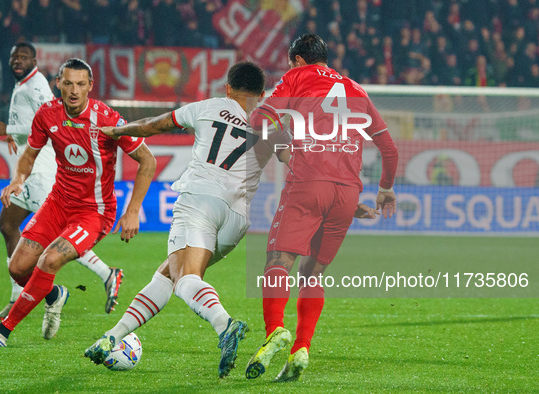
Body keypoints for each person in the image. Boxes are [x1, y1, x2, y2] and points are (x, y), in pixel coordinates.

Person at [82, 61, 379, 378]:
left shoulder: (207, 107)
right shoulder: (271, 123)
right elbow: (302, 165)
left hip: (201, 201)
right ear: (262, 94)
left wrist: (118, 130)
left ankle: (225, 325)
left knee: (184, 277)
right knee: (167, 275)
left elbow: (153, 126)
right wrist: (349, 201)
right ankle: (110, 337)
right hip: (237, 219)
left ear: (227, 88)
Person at [0, 58, 156, 348]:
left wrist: (133, 212)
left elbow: (148, 160)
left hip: (94, 212)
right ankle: (54, 295)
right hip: (58, 203)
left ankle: (1, 333)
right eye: (68, 83)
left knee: (49, 260)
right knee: (18, 268)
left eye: (80, 84)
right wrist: (19, 179)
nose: (73, 90)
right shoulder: (47, 114)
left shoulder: (107, 119)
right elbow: (29, 155)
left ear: (90, 86)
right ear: (58, 83)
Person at [245, 34, 399, 382]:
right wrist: (385, 189)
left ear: (297, 60)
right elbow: (389, 150)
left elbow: (260, 122)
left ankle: (275, 331)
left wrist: (283, 151)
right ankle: (301, 348)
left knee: (278, 262)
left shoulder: (297, 77)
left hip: (307, 183)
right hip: (346, 196)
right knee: (312, 274)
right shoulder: (357, 89)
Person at [0, 43, 124, 320]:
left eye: (24, 57)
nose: (18, 61)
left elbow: (49, 117)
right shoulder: (23, 84)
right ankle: (24, 292)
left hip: (47, 168)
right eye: (15, 56)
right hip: (29, 169)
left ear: (35, 61)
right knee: (7, 223)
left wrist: (10, 129)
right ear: (60, 82)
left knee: (59, 239)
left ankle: (104, 273)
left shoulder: (37, 85)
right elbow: (40, 119)